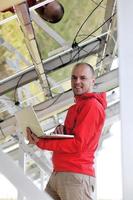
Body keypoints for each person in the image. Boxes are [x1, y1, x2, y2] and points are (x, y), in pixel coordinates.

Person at [26, 62, 107, 200]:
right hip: (60, 174)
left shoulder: (91, 106)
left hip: (75, 176)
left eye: (83, 78)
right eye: (74, 78)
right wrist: (61, 133)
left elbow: (78, 144)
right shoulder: (74, 108)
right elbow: (71, 139)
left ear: (93, 81)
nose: (77, 82)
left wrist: (42, 142)